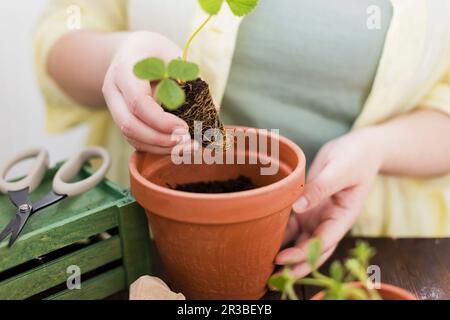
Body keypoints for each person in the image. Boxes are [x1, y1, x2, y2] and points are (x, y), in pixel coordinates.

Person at [34, 0, 450, 278]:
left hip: (365, 245)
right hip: (153, 237)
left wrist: (378, 148)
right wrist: (122, 55)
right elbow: (66, 29)